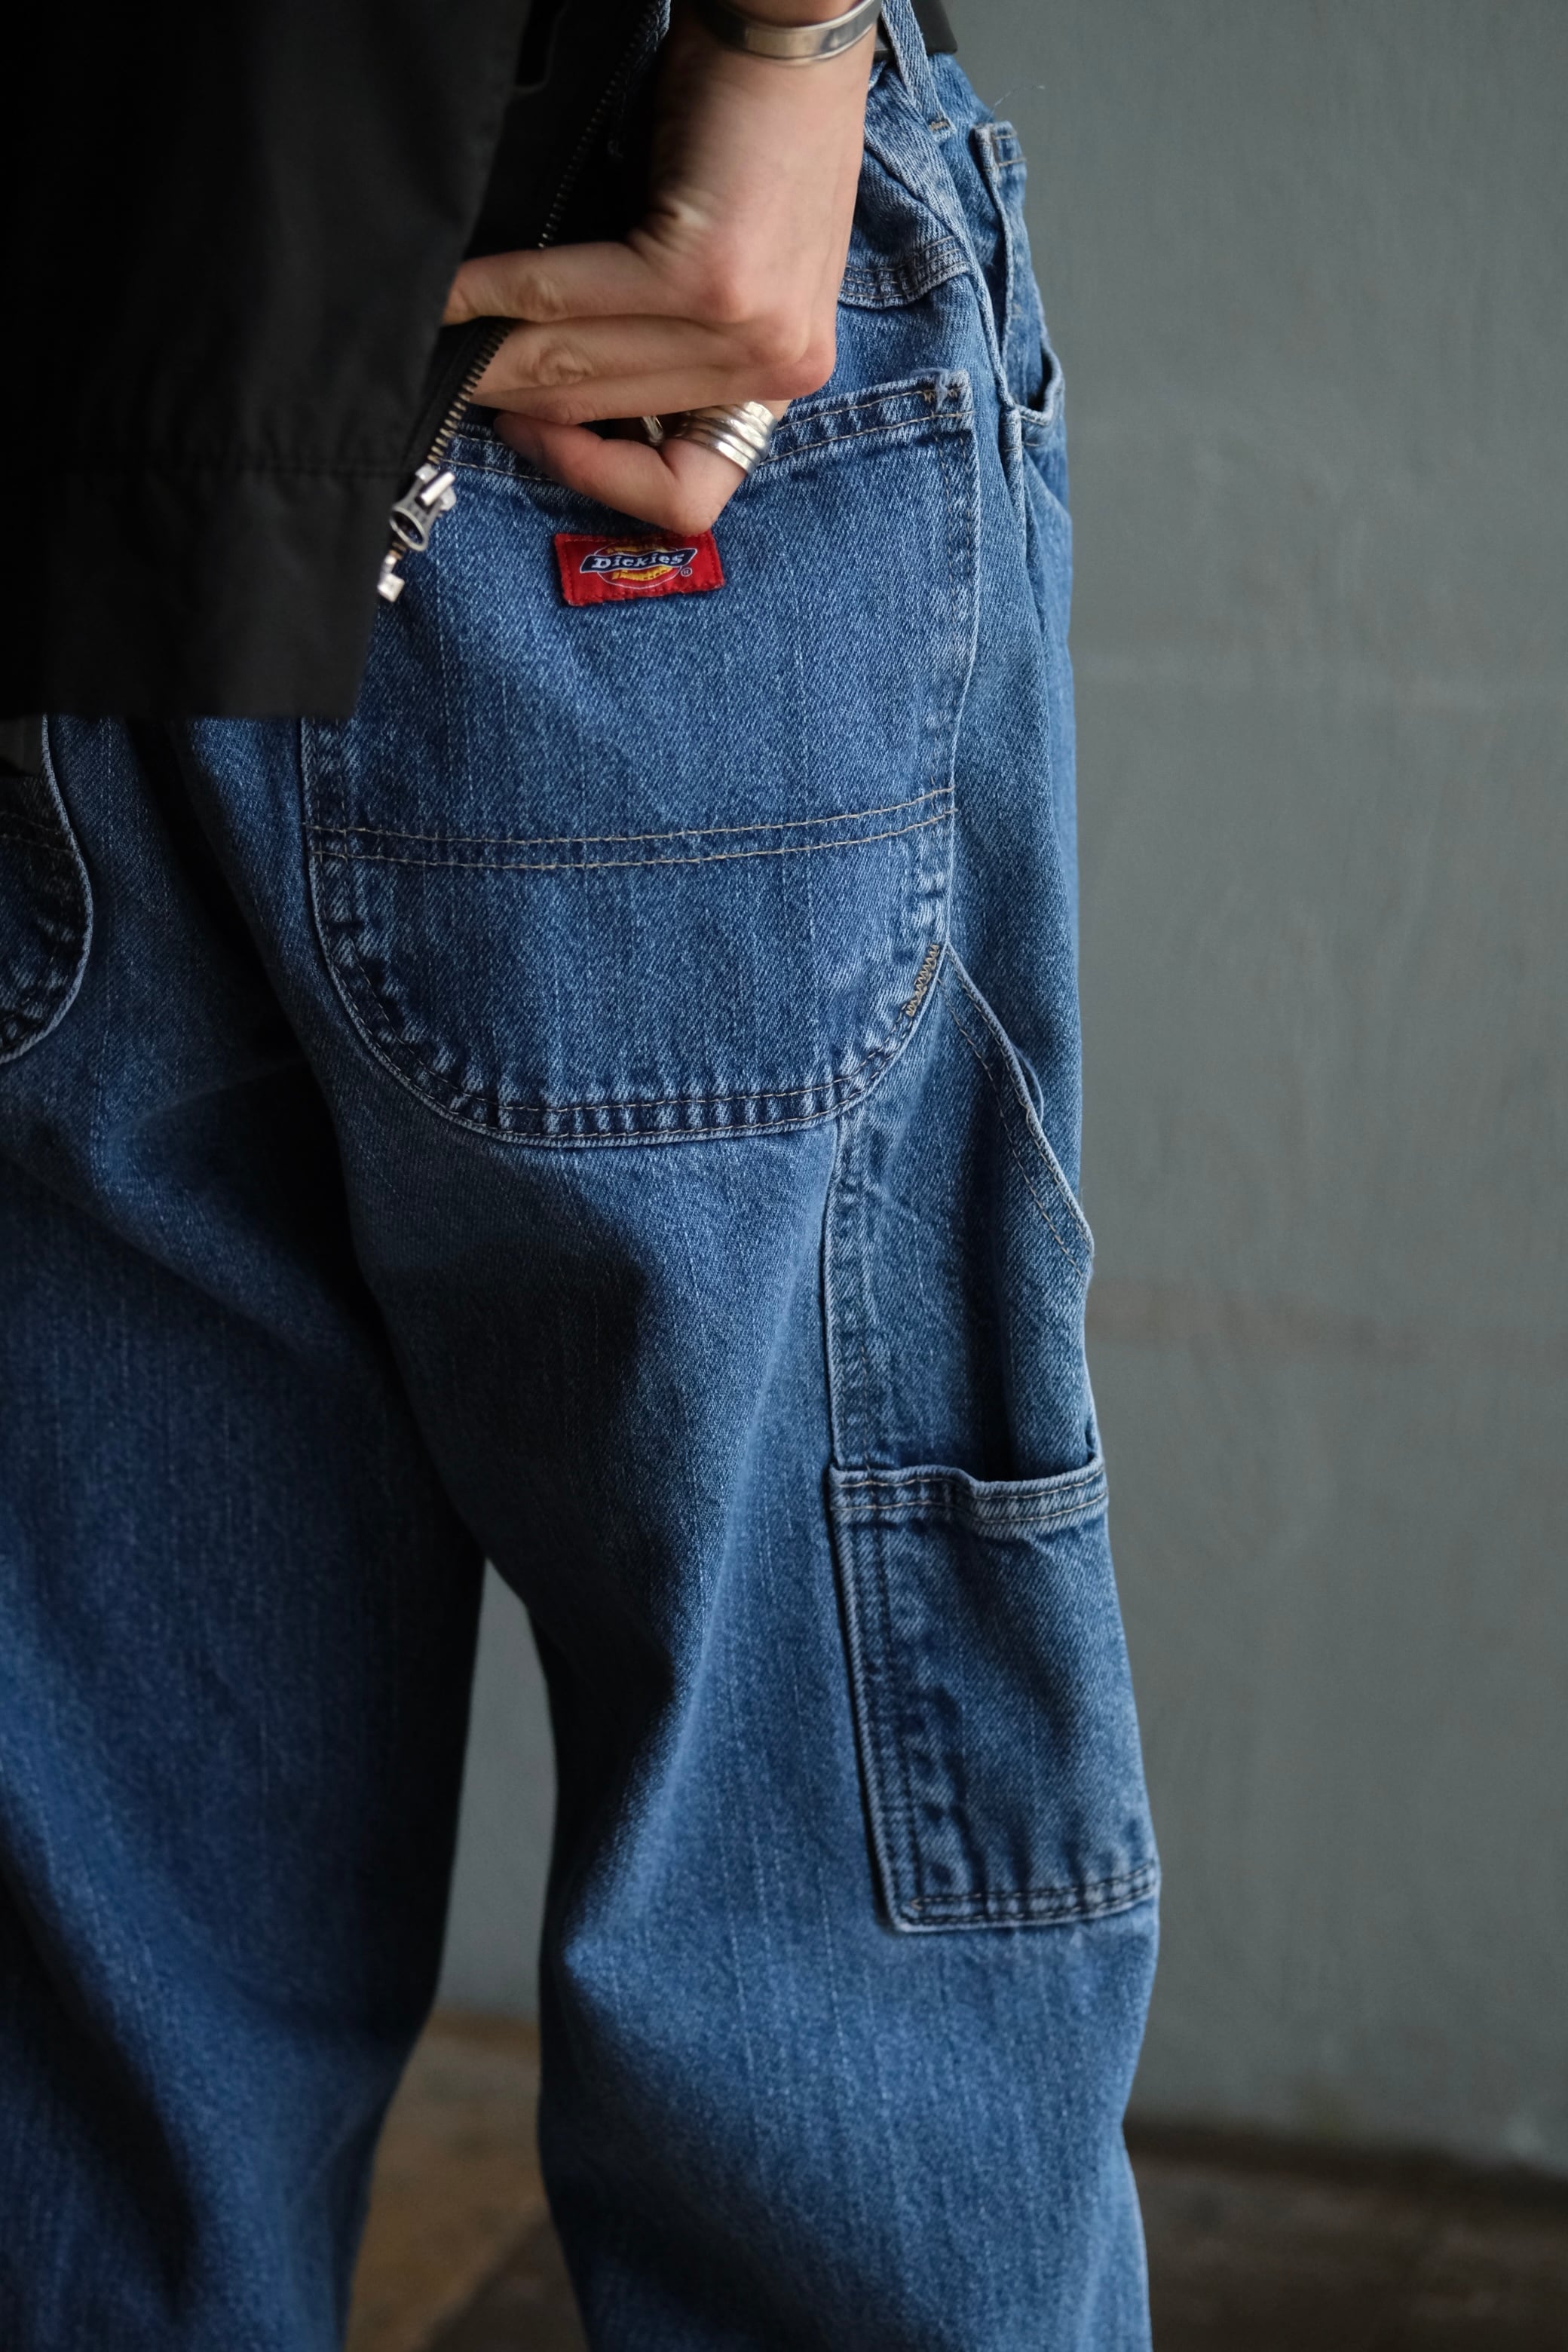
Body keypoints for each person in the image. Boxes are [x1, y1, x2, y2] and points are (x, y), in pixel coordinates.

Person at [0, 0, 1159, 2344]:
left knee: (103, 2061)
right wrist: (787, 39)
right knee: (826, 1971)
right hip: (580, 258)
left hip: (75, 288)